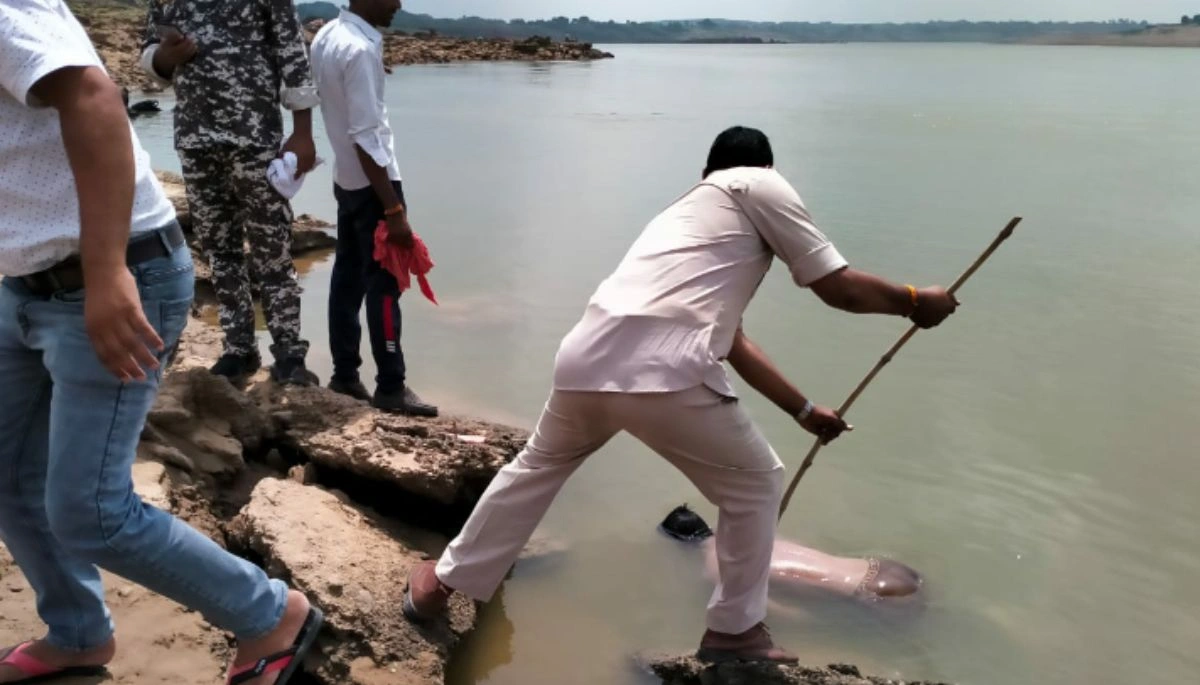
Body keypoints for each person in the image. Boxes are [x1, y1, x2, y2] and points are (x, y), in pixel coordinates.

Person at [401, 126, 958, 664]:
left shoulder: (684, 213)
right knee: (755, 485)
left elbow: (733, 340)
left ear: (704, 172)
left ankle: (438, 584)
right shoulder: (758, 183)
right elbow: (837, 287)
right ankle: (734, 631)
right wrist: (915, 299)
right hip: (665, 368)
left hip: (584, 359)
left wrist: (805, 410)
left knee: (535, 470)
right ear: (767, 168)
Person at [0, 2, 321, 684]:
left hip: (117, 264)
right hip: (29, 274)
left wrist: (107, 269)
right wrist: (169, 57)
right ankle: (78, 631)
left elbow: (95, 93)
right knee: (7, 474)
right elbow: (146, 66)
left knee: (90, 510)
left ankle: (270, 613)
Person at [140, 0, 321, 386]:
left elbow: (292, 52)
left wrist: (303, 131)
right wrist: (165, 58)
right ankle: (239, 348)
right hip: (195, 139)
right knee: (219, 249)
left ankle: (289, 352)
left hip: (254, 137)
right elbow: (151, 60)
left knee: (272, 246)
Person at [308, 0, 437, 416]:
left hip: (346, 179)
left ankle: (345, 375)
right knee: (385, 287)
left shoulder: (330, 35)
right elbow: (366, 136)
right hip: (374, 181)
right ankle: (391, 386)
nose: (399, 4)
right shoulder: (359, 50)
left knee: (347, 279)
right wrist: (394, 209)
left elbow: (337, 100)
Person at [659, 505, 922, 601]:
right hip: (883, 568)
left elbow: (771, 611)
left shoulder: (714, 567)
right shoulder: (750, 529)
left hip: (869, 590)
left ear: (679, 543)